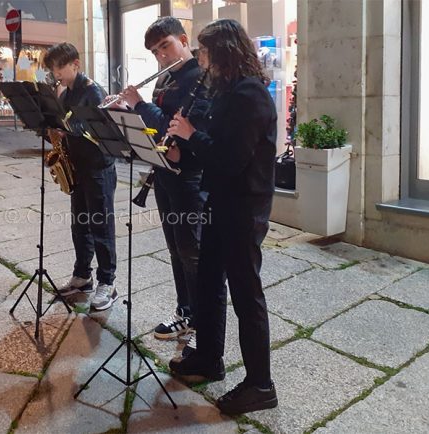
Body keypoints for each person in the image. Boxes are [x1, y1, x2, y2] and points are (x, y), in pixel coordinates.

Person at [166, 19, 279, 415]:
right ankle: (210, 358)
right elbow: (214, 149)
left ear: (224, 51)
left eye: (206, 51)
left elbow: (232, 160)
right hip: (220, 201)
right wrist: (184, 149)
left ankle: (260, 385)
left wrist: (192, 134)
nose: (202, 59)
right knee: (210, 281)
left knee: (247, 295)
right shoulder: (227, 91)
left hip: (243, 209)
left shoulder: (250, 95)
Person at [115, 17, 209, 351]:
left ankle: (203, 318)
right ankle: (185, 311)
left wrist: (139, 104)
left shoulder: (198, 78)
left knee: (192, 250)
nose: (162, 57)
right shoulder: (167, 80)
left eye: (165, 46)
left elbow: (175, 127)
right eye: (156, 52)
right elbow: (156, 131)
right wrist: (125, 115)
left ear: (183, 40)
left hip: (189, 177)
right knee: (175, 248)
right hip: (164, 172)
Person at [43, 42, 118, 311]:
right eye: (53, 69)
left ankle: (107, 282)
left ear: (75, 64)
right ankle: (82, 275)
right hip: (78, 167)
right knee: (80, 226)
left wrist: (69, 130)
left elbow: (100, 131)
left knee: (101, 227)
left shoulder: (92, 92)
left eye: (59, 67)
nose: (56, 73)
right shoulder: (67, 94)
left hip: (98, 168)